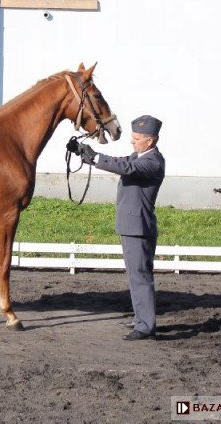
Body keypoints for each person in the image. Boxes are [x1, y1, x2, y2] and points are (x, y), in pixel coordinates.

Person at [78, 115, 165, 341]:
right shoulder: (140, 155)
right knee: (135, 275)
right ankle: (141, 319)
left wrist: (95, 156)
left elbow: (124, 167)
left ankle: (146, 326)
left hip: (138, 227)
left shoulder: (152, 161)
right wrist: (84, 154)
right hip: (132, 225)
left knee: (140, 276)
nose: (132, 141)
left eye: (136, 138)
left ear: (150, 141)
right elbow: (119, 160)